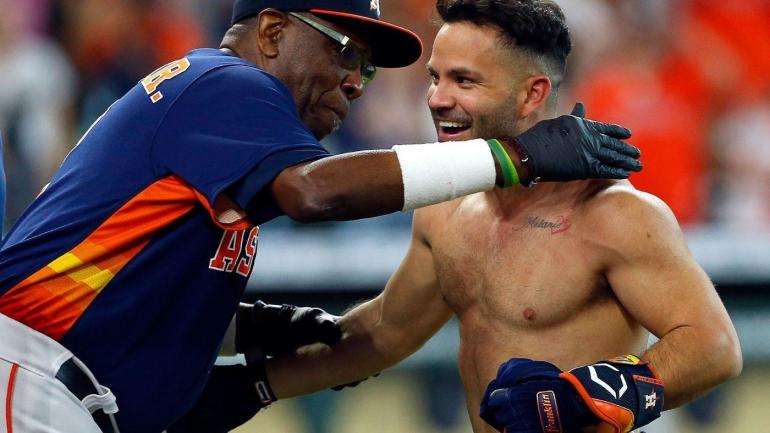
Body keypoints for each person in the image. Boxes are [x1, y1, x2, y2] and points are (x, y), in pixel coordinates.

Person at [0, 0, 642, 432]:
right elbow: (316, 193)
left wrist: (242, 333)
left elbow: (121, 279)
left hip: (59, 384)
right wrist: (514, 157)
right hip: (33, 376)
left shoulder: (219, 113)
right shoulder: (224, 81)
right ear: (274, 33)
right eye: (345, 51)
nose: (358, 80)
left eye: (366, 65)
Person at [197, 1, 741, 433]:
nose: (436, 98)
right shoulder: (445, 207)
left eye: (464, 81)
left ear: (533, 94)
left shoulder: (615, 213)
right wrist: (256, 385)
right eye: (435, 78)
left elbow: (714, 346)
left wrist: (584, 397)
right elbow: (385, 334)